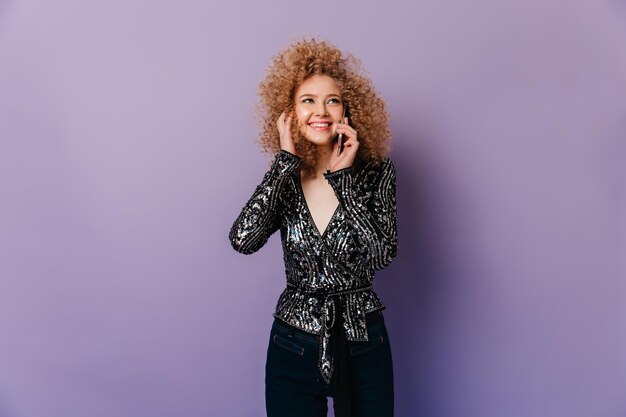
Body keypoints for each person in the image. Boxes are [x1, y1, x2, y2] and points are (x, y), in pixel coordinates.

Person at [229, 38, 397, 417]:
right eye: (308, 100)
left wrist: (343, 182)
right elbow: (242, 240)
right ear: (288, 112)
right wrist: (283, 162)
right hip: (294, 341)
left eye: (332, 100)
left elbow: (382, 253)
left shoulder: (376, 173)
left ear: (348, 110)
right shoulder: (285, 181)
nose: (321, 110)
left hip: (361, 339)